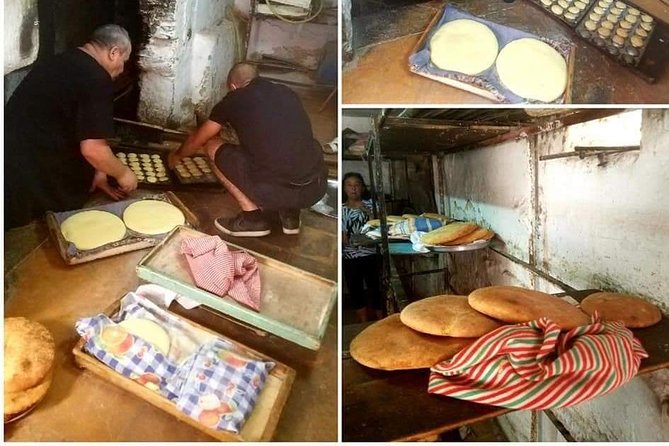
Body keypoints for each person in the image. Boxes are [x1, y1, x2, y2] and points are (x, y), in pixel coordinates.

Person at [167, 62, 327, 237]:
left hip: (272, 190)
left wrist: (177, 155)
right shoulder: (286, 92)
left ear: (233, 86)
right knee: (292, 148)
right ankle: (290, 216)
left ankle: (253, 219)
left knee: (212, 145)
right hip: (314, 187)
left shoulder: (234, 98)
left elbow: (200, 138)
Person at [4, 24, 137, 230]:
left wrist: (100, 171)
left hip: (12, 145)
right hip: (30, 160)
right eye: (123, 62)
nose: (121, 70)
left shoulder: (63, 60)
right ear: (114, 52)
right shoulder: (96, 78)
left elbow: (80, 124)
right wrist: (123, 174)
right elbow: (93, 149)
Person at [342, 172, 384, 322]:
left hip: (372, 254)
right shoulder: (342, 210)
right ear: (344, 188)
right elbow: (343, 236)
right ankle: (363, 322)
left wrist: (369, 213)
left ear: (362, 188)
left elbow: (381, 227)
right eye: (349, 185)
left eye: (357, 185)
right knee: (355, 290)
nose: (353, 189)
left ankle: (382, 320)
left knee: (376, 288)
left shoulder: (373, 205)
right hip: (350, 257)